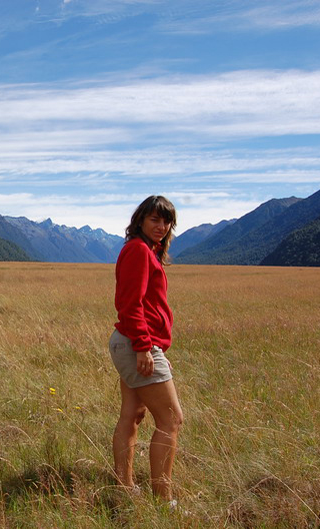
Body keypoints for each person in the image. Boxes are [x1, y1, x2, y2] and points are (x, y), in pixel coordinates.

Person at [109, 195, 183, 506]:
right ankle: (162, 498)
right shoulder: (139, 251)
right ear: (140, 220)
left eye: (166, 221)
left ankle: (124, 486)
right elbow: (130, 303)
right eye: (155, 219)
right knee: (172, 420)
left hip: (131, 342)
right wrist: (143, 347)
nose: (162, 226)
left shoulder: (144, 251)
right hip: (138, 344)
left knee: (133, 415)